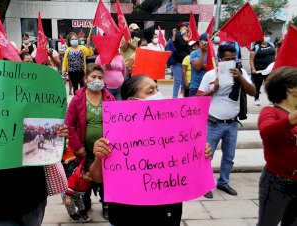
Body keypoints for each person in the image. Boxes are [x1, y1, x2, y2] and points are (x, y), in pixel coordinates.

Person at [90, 75, 213, 225]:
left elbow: (186, 166)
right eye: (150, 92)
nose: (157, 94)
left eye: (157, 89)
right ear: (132, 101)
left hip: (166, 213)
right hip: (127, 215)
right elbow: (97, 178)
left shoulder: (175, 131)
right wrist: (98, 157)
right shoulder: (114, 134)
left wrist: (200, 153)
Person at [197, 45, 256, 198]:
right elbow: (197, 98)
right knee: (206, 156)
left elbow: (253, 92)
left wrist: (240, 78)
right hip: (213, 123)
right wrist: (212, 91)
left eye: (233, 59)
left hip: (232, 124)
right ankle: (204, 184)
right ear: (220, 59)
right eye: (227, 59)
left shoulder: (240, 72)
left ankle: (223, 182)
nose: (231, 62)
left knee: (229, 157)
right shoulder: (210, 75)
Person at [65, 63, 115, 220]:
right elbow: (69, 124)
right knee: (84, 177)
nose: (97, 80)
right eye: (93, 77)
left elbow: (117, 121)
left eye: (100, 78)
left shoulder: (109, 97)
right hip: (83, 150)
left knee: (106, 178)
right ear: (85, 79)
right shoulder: (77, 99)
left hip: (105, 150)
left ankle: (106, 205)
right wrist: (77, 146)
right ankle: (84, 203)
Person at [256, 66, 297, 226]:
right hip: (277, 183)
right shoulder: (270, 112)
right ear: (291, 88)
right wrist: (291, 119)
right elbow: (267, 132)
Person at [250, 31, 276, 106]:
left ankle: (272, 99)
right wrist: (253, 69)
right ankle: (256, 98)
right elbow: (251, 60)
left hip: (270, 70)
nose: (267, 37)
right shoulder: (256, 47)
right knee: (257, 85)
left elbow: (275, 55)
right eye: (265, 36)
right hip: (259, 70)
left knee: (270, 85)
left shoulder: (271, 45)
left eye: (268, 36)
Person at [172, 22, 190, 98]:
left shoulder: (192, 38)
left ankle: (185, 98)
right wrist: (174, 34)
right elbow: (173, 43)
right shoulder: (178, 36)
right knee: (178, 81)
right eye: (182, 27)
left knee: (185, 82)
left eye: (186, 26)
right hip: (178, 62)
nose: (184, 28)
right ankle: (174, 98)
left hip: (187, 64)